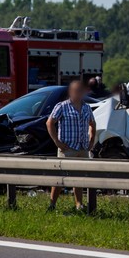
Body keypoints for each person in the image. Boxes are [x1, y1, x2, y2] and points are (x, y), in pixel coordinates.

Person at [46, 80, 96, 211]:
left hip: (82, 147)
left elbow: (92, 124)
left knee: (78, 178)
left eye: (81, 90)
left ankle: (79, 204)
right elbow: (49, 123)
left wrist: (91, 140)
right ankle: (52, 204)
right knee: (60, 178)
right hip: (67, 148)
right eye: (76, 90)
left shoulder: (86, 107)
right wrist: (57, 141)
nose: (79, 93)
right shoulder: (62, 106)